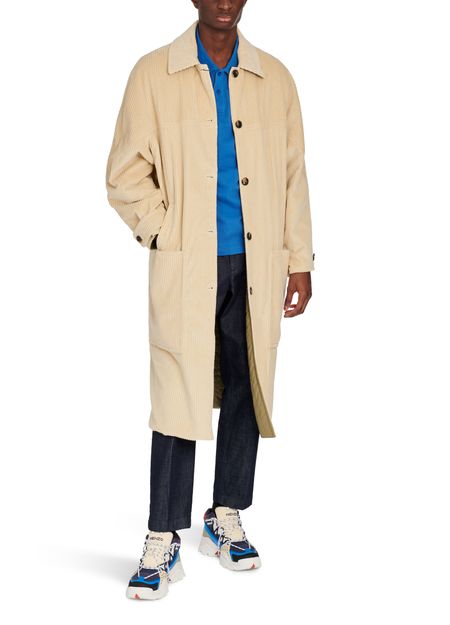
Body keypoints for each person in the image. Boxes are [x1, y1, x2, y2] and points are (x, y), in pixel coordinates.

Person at [105, 0, 315, 601]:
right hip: (187, 262)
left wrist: (299, 259)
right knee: (178, 389)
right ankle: (163, 533)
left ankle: (225, 515)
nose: (224, 2)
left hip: (256, 260)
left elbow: (294, 174)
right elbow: (124, 174)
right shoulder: (154, 73)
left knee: (249, 384)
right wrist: (164, 231)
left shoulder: (275, 78)